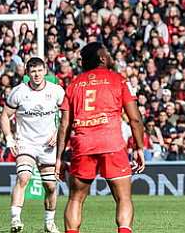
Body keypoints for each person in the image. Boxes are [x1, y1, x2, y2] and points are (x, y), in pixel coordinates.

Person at [55, 42, 146, 233]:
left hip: (83, 144)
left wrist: (59, 158)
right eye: (107, 52)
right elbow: (135, 119)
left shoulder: (74, 84)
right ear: (102, 58)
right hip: (111, 143)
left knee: (75, 198)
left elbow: (64, 125)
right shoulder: (118, 80)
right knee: (123, 198)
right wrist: (139, 149)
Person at [0, 57, 65, 233]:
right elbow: (5, 115)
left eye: (39, 70)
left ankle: (49, 223)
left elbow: (68, 115)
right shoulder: (19, 92)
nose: (36, 74)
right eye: (33, 71)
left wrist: (58, 132)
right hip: (26, 142)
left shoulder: (56, 91)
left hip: (47, 145)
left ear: (45, 71)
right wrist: (9, 138)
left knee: (51, 186)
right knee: (23, 178)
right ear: (28, 73)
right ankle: (15, 220)